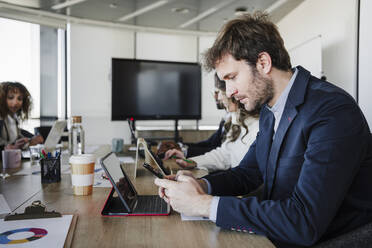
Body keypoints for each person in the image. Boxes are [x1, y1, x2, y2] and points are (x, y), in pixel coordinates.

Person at [154, 11, 372, 248]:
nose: (229, 92)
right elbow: (247, 173)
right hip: (279, 233)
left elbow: (303, 221)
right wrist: (201, 186)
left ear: (263, 63)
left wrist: (202, 204)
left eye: (232, 77)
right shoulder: (271, 110)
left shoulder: (331, 111)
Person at [164, 83, 259, 172]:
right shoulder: (236, 121)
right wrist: (192, 161)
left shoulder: (258, 126)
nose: (219, 97)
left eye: (220, 92)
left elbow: (247, 175)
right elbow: (224, 154)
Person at [0, 82, 44, 151]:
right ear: (2, 98)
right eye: (10, 98)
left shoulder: (12, 118)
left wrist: (30, 141)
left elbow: (16, 142)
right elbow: (6, 146)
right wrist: (10, 148)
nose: (15, 102)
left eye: (19, 99)